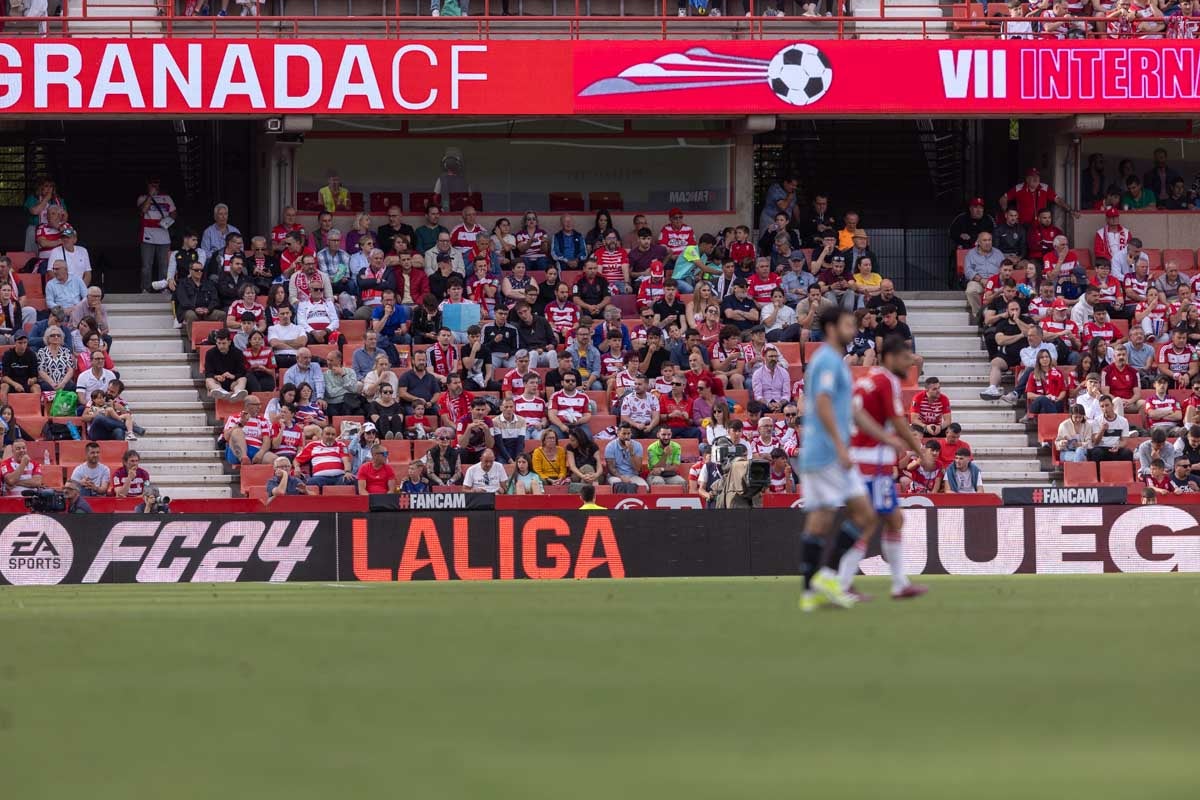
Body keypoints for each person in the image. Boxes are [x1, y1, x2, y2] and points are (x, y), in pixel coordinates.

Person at [798, 306, 880, 612]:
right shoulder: (829, 361)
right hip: (827, 453)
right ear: (832, 328)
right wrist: (841, 446)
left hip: (824, 452)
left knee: (823, 520)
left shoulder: (834, 361)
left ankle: (812, 589)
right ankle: (826, 579)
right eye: (848, 324)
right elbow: (821, 402)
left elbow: (853, 410)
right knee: (860, 516)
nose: (854, 329)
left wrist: (886, 438)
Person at [138, 178, 176, 292]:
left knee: (164, 266)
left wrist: (167, 221)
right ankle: (145, 289)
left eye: (156, 184)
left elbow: (174, 213)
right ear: (148, 185)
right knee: (146, 267)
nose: (155, 186)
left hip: (164, 237)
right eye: (152, 184)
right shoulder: (142, 198)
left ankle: (163, 289)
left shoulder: (167, 198)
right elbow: (142, 211)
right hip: (147, 236)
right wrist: (150, 196)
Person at [604, 422, 648, 490]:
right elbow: (611, 468)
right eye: (624, 434)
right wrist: (621, 477)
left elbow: (638, 468)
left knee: (644, 488)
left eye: (628, 434)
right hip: (616, 476)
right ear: (618, 433)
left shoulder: (638, 446)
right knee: (620, 485)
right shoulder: (610, 446)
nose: (626, 437)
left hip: (633, 476)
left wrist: (631, 452)